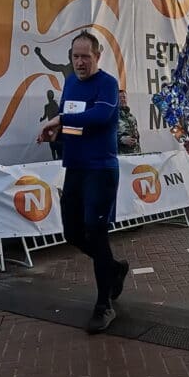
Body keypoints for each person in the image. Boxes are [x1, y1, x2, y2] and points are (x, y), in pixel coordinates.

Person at [36, 31, 128, 334]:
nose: (79, 62)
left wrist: (60, 121)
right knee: (73, 234)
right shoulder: (71, 83)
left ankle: (104, 306)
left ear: (97, 56)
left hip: (101, 171)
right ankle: (113, 268)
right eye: (75, 56)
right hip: (75, 168)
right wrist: (59, 133)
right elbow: (77, 126)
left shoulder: (108, 85)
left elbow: (100, 117)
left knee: (96, 232)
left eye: (85, 56)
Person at [117, 89, 141, 155]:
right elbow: (107, 138)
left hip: (135, 155)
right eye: (120, 98)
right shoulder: (112, 117)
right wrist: (121, 140)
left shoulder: (132, 117)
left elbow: (137, 137)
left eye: (124, 97)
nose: (122, 99)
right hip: (121, 156)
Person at [40, 89, 63, 160]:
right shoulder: (47, 106)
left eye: (50, 95)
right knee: (52, 145)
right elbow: (45, 116)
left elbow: (58, 116)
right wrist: (42, 119)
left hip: (56, 127)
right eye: (48, 95)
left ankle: (59, 158)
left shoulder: (55, 105)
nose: (49, 96)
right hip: (51, 127)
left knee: (57, 144)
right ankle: (54, 159)